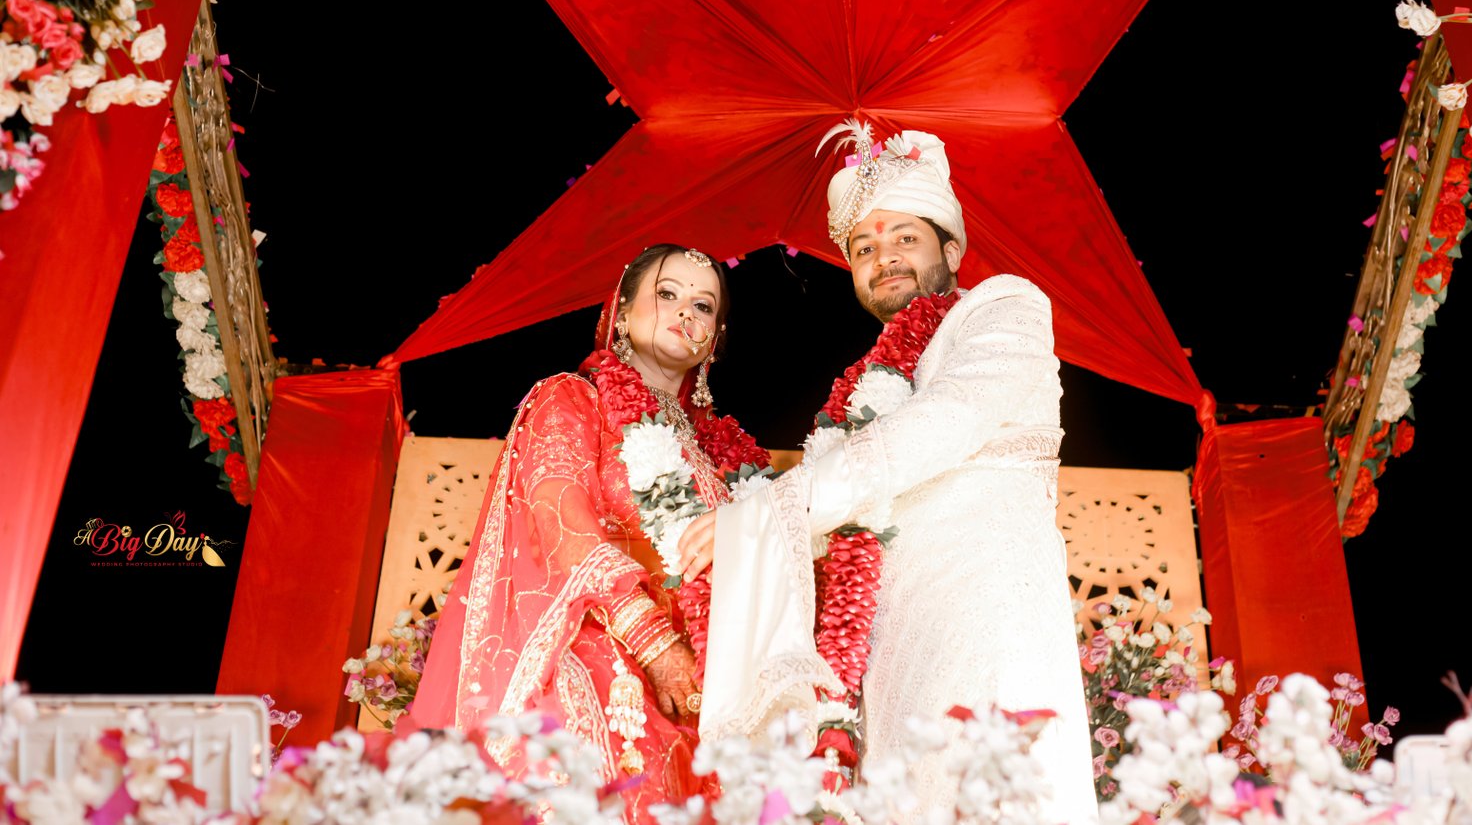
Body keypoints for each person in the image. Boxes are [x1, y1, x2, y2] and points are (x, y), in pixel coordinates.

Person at [682, 124, 1099, 824]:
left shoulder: (1003, 307)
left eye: (906, 236)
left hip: (987, 622)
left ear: (951, 249)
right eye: (865, 248)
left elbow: (945, 421)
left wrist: (773, 510)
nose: (885, 258)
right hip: (891, 656)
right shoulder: (864, 392)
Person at [407, 244, 768, 822]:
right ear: (621, 314)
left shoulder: (722, 455)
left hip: (705, 675)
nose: (686, 312)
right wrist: (652, 639)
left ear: (715, 338)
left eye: (704, 306)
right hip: (601, 648)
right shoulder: (573, 399)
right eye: (667, 294)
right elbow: (560, 520)